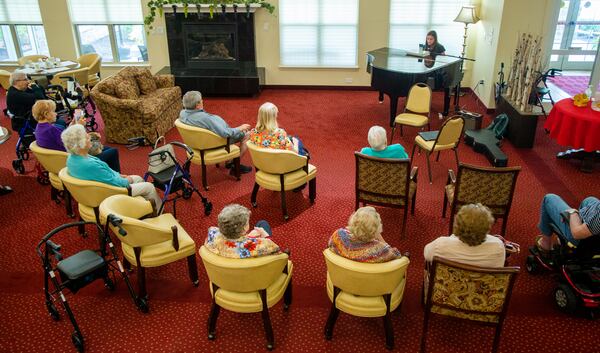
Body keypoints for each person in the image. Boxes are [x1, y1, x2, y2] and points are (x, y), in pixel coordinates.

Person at [60, 124, 162, 209]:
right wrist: (127, 179)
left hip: (97, 188)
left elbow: (104, 174)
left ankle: (141, 208)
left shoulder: (72, 158)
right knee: (149, 187)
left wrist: (119, 175)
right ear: (80, 144)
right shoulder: (89, 165)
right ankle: (157, 213)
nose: (90, 138)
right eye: (87, 138)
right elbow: (116, 183)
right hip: (110, 192)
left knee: (139, 178)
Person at [33, 100, 121, 172]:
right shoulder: (50, 129)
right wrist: (79, 126)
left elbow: (62, 136)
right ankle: (115, 178)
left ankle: (105, 172)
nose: (56, 114)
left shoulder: (40, 128)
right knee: (113, 151)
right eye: (53, 111)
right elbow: (72, 143)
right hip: (75, 158)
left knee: (106, 148)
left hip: (60, 158)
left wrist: (72, 125)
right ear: (46, 114)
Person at [179, 90, 252, 173]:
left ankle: (229, 160)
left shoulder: (182, 113)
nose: (203, 101)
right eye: (201, 100)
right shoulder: (206, 119)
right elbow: (226, 133)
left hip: (196, 142)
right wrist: (240, 128)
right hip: (217, 141)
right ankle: (233, 163)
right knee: (247, 135)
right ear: (197, 105)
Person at [424, 203, 505, 268]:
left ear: (457, 225)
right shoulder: (498, 247)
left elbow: (426, 254)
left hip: (444, 287)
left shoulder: (440, 245)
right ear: (488, 227)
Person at [204, 204, 280, 259]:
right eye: (247, 222)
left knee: (261, 223)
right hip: (253, 275)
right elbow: (276, 250)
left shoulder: (212, 232)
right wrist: (265, 235)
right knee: (263, 223)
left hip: (223, 274)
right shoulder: (261, 244)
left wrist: (247, 237)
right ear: (244, 229)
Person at [328, 206, 402, 263]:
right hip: (369, 281)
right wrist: (381, 240)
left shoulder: (337, 235)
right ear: (377, 229)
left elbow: (330, 247)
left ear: (353, 220)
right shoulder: (381, 250)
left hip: (342, 278)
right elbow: (397, 255)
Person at [535, 193, 600, 253]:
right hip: (593, 232)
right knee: (589, 200)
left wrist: (573, 213)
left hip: (583, 240)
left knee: (549, 198)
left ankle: (546, 244)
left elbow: (576, 234)